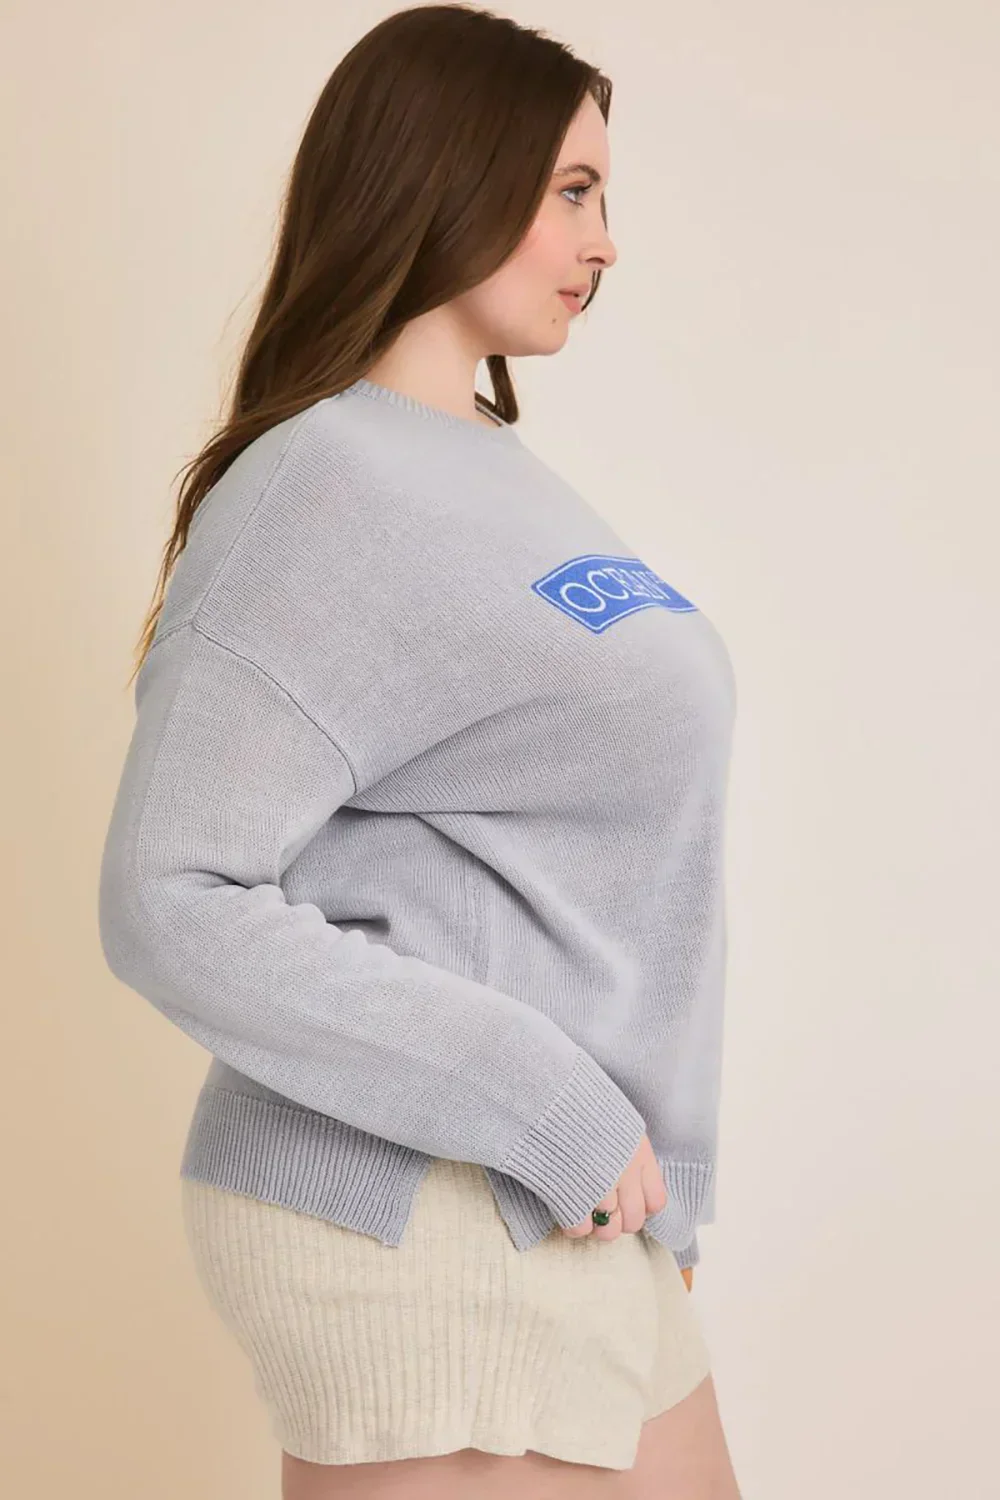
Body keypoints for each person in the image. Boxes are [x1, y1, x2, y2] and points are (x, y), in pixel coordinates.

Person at [97, 5, 742, 1496]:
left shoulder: (496, 479)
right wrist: (556, 1108)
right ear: (450, 172)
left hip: (562, 1198)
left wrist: (668, 1179)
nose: (606, 240)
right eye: (572, 190)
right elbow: (168, 894)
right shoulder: (320, 483)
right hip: (419, 1198)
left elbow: (617, 868)